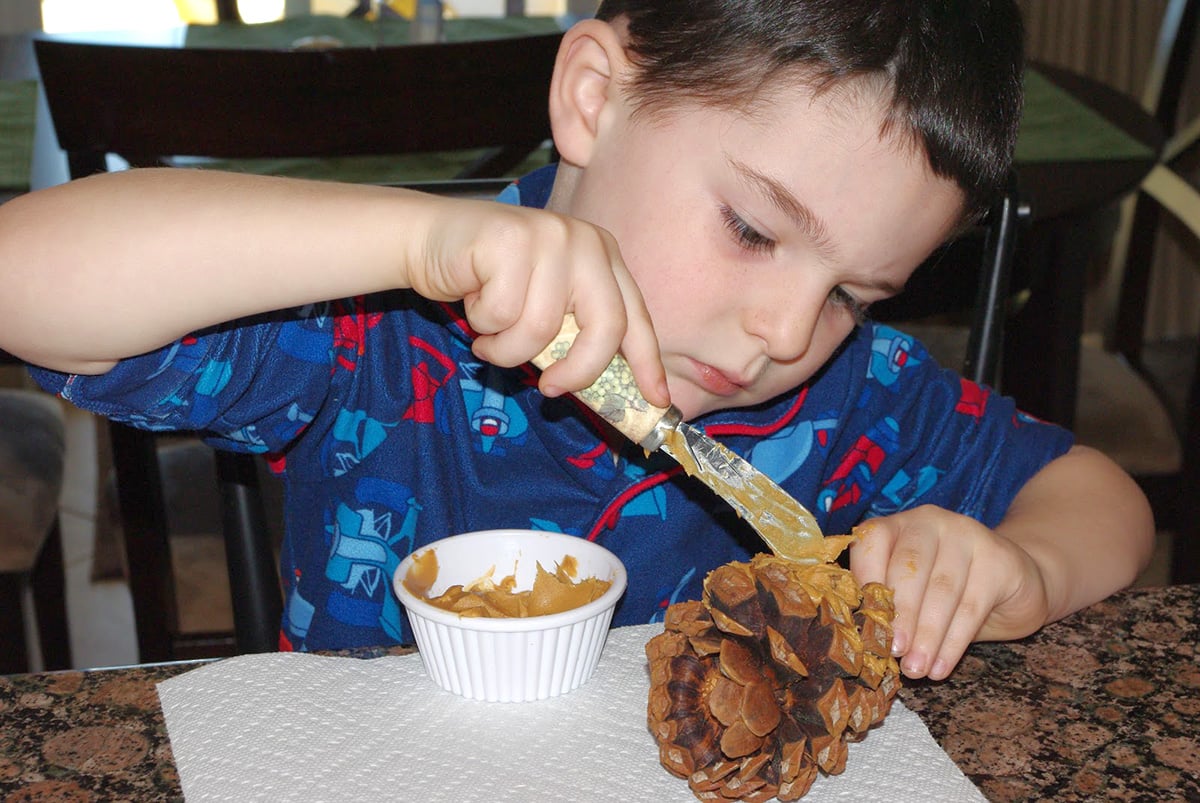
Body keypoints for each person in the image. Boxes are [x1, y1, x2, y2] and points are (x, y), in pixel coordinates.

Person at [0, 0, 1153, 680]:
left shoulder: (858, 399)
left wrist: (1020, 568)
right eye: (753, 228)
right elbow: (24, 279)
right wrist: (413, 239)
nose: (788, 332)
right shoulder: (381, 341)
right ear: (594, 98)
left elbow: (1104, 498)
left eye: (858, 290)